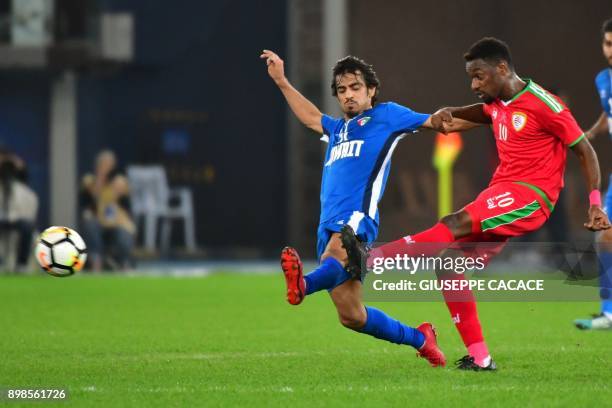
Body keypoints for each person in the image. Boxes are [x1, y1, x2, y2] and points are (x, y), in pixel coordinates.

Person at [342, 37, 611, 370]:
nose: (474, 84)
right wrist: (443, 115)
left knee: (454, 222)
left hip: (531, 194)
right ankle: (482, 359)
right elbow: (469, 115)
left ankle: (370, 258)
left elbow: (586, 150)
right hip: (500, 191)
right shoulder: (496, 104)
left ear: (502, 68)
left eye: (479, 76)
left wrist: (595, 203)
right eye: (471, 77)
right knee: (450, 265)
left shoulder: (546, 104)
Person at [261, 50, 447, 367]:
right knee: (351, 316)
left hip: (358, 219)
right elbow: (310, 117)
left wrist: (489, 113)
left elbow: (437, 121)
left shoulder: (387, 116)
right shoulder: (337, 129)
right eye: (342, 90)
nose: (348, 95)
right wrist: (281, 81)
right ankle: (421, 338)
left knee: (333, 256)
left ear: (371, 90)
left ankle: (303, 285)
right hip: (328, 222)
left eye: (355, 87)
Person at [574, 18, 612, 330]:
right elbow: (608, 114)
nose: (610, 51)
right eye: (608, 44)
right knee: (605, 238)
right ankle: (608, 311)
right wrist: (592, 132)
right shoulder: (603, 79)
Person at [80, 150, 135, 271]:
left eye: (109, 165)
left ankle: (124, 263)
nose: (106, 167)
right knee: (90, 224)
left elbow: (127, 208)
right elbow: (88, 205)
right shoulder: (89, 181)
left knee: (124, 231)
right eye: (103, 164)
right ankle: (96, 261)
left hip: (116, 223)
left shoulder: (120, 183)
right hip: (98, 222)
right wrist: (100, 179)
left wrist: (118, 193)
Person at [0, 147, 38, 271]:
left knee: (27, 226)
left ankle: (21, 264)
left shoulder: (24, 192)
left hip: (17, 220)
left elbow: (29, 214)